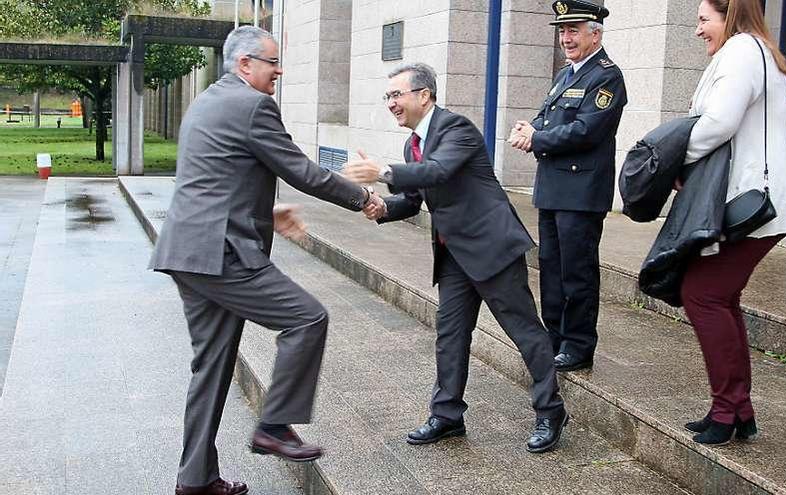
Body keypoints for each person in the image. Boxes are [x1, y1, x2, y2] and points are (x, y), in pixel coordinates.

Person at [148, 26, 381, 495]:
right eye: (272, 62)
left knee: (211, 365)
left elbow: (215, 174)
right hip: (220, 253)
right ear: (244, 64)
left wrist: (265, 211)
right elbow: (301, 170)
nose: (279, 71)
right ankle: (274, 426)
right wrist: (364, 198)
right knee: (306, 319)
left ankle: (195, 481)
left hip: (189, 249)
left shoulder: (209, 102)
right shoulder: (254, 105)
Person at [342, 62, 568, 453]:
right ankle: (447, 416)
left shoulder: (456, 128)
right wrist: (384, 208)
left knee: (525, 332)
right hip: (453, 256)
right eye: (388, 96)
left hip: (492, 249)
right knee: (450, 337)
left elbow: (438, 171)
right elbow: (413, 200)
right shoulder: (411, 144)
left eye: (397, 94)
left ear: (424, 96)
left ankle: (551, 411)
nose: (391, 103)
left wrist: (381, 171)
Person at [682, 0, 786, 445]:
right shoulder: (760, 51)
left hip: (753, 202)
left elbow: (717, 123)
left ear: (729, 13)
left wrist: (672, 161)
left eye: (703, 19)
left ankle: (726, 408)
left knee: (702, 293)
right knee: (722, 296)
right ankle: (737, 408)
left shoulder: (739, 51)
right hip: (759, 200)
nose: (698, 30)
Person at [507, 0, 627, 373]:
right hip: (554, 190)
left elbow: (588, 130)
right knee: (551, 269)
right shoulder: (566, 76)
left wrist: (537, 137)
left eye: (574, 30)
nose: (566, 38)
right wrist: (528, 130)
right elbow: (545, 119)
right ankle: (555, 337)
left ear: (596, 33)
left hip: (581, 192)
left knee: (576, 271)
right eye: (562, 30)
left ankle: (578, 344)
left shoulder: (606, 75)